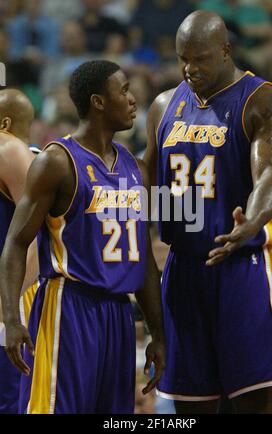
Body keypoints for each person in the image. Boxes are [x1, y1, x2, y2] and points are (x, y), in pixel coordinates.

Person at [144, 10, 272, 414]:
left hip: (245, 266)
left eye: (200, 58)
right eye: (182, 58)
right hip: (184, 268)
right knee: (189, 403)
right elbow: (145, 178)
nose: (189, 68)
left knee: (252, 399)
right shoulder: (164, 105)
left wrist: (251, 220)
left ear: (226, 50)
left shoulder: (263, 101)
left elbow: (270, 174)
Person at [0, 60, 165, 414]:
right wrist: (12, 318)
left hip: (120, 313)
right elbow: (15, 243)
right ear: (98, 102)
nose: (134, 99)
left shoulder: (136, 168)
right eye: (123, 90)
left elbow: (145, 261)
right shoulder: (57, 161)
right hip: (69, 306)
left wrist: (158, 332)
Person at [0, 89, 39, 413]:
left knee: (12, 399)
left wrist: (6, 308)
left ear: (5, 123)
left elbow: (39, 241)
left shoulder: (8, 150)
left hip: (19, 295)